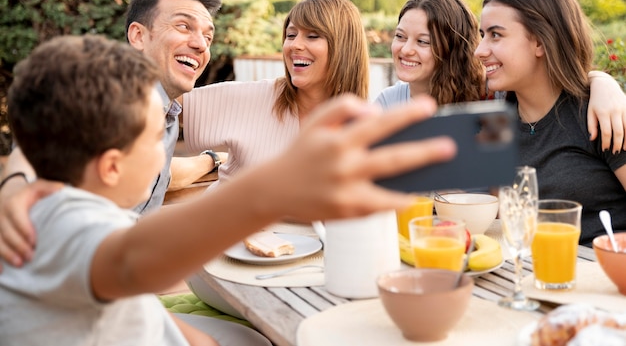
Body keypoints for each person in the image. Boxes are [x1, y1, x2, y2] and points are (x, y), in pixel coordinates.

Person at [0, 34, 457, 345]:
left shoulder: (65, 205)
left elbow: (133, 308)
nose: (167, 145)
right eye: (157, 136)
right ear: (112, 166)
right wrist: (277, 187)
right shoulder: (59, 223)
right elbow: (134, 261)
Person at [0, 0, 227, 218]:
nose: (201, 45)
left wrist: (213, 160)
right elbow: (38, 140)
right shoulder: (103, 93)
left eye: (208, 37)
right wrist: (15, 184)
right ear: (138, 36)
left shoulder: (167, 111)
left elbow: (159, 172)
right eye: (183, 26)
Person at [473, 0, 626, 246]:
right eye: (482, 35)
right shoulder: (496, 125)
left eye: (496, 35)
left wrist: (601, 80)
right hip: (530, 274)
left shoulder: (599, 113)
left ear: (540, 43)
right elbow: (504, 222)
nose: (479, 50)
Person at [375, 0, 626, 153]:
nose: (405, 49)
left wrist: (603, 82)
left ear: (452, 49)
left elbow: (550, 83)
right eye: (400, 36)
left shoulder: (492, 97)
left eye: (423, 42)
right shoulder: (387, 104)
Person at [182, 0, 369, 188]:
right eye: (291, 35)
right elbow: (164, 104)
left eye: (313, 36)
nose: (295, 45)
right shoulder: (256, 97)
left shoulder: (362, 126)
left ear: (345, 47)